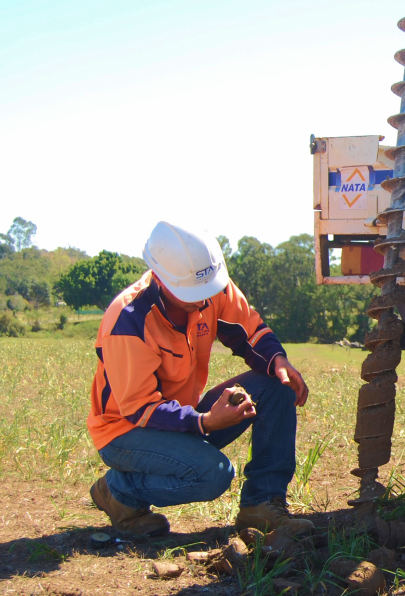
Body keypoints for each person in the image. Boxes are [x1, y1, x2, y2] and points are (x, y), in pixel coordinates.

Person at [86, 221, 314, 537]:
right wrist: (205, 422)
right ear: (162, 279)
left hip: (182, 417)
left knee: (276, 385)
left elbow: (249, 330)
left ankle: (261, 505)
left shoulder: (209, 285)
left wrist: (277, 359)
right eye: (194, 293)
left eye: (210, 290)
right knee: (213, 475)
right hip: (126, 431)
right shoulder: (129, 320)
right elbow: (140, 410)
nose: (205, 299)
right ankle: (120, 492)